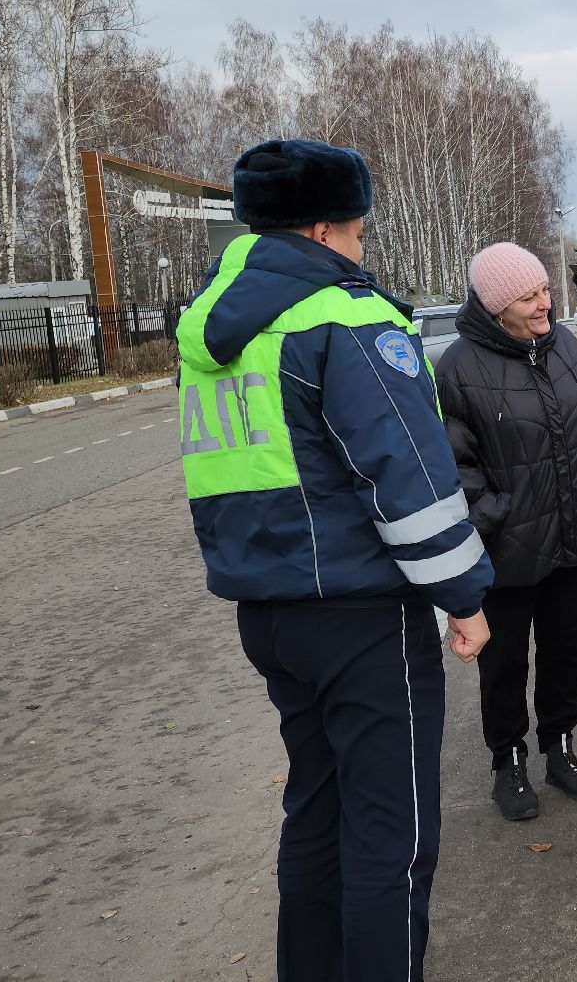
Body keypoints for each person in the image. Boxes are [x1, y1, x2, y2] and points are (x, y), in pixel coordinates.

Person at [176, 138, 494, 982]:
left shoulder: (212, 330)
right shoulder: (343, 318)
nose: (362, 249)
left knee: (315, 815)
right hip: (361, 617)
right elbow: (408, 475)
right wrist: (463, 595)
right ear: (322, 230)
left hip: (268, 612)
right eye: (357, 233)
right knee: (394, 831)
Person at [435, 243, 577, 821]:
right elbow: (456, 467)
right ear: (497, 304)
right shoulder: (458, 368)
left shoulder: (566, 348)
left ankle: (561, 748)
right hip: (505, 548)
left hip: (570, 535)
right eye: (529, 295)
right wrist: (493, 521)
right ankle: (508, 763)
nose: (545, 302)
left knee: (566, 650)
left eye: (544, 290)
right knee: (503, 663)